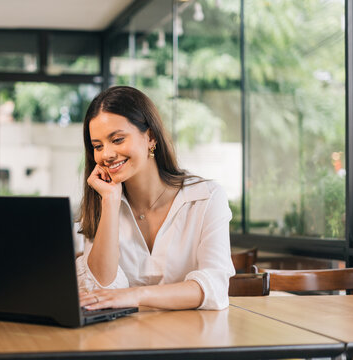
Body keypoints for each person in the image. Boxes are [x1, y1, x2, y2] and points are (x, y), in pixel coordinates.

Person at [76, 86, 235, 311]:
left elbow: (215, 287)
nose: (107, 154)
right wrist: (110, 202)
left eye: (118, 139)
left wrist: (136, 295)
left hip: (193, 338)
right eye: (97, 146)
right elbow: (98, 291)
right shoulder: (102, 202)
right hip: (120, 339)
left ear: (150, 137)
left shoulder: (206, 198)